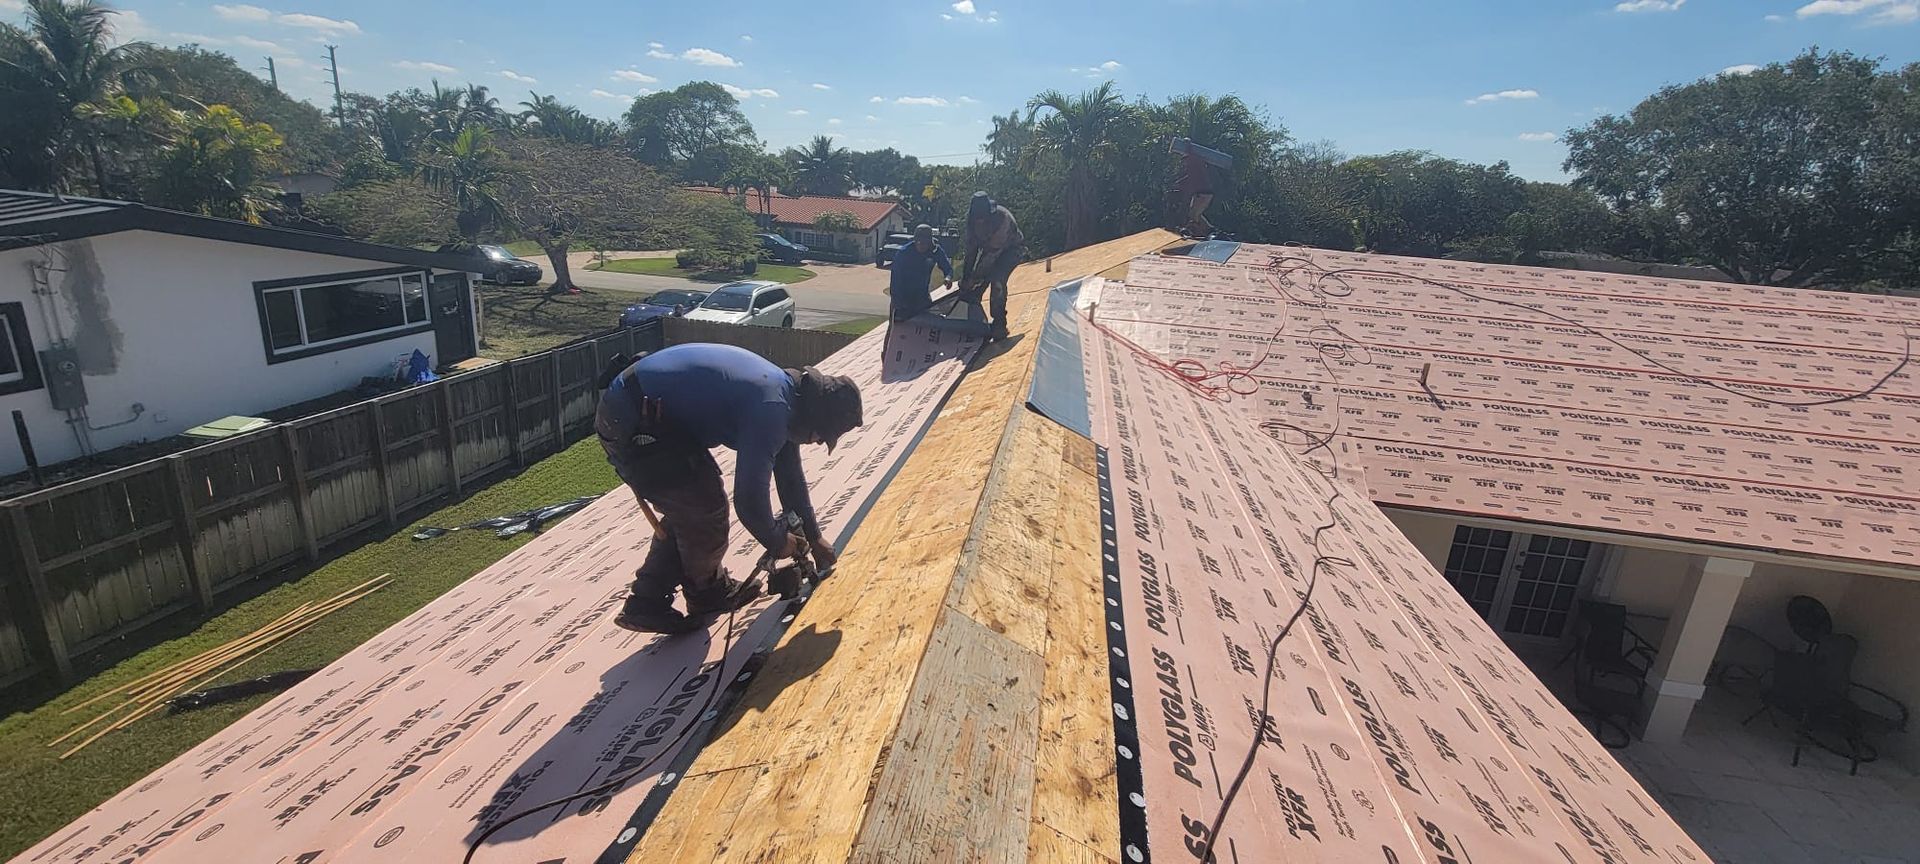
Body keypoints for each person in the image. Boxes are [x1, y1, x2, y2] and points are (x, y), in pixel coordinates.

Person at [595, 344, 862, 634]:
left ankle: (688, 593)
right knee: (703, 509)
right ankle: (662, 602)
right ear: (814, 416)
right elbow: (748, 502)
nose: (817, 442)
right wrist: (778, 541)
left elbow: (790, 479)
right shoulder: (771, 409)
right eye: (820, 437)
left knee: (693, 504)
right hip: (632, 419)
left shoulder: (786, 395)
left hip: (649, 411)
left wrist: (813, 535)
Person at [960, 192, 1024, 341]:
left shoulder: (1002, 219)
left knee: (997, 280)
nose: (980, 221)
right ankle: (974, 304)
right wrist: (966, 277)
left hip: (1011, 250)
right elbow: (970, 251)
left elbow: (991, 256)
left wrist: (974, 279)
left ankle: (999, 323)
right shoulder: (971, 221)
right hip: (990, 249)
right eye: (977, 218)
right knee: (975, 285)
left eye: (982, 218)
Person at [887, 223, 955, 322]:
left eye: (924, 243)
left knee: (925, 325)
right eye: (918, 243)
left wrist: (948, 278)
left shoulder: (935, 251)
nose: (921, 246)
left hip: (922, 296)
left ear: (930, 242)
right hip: (902, 298)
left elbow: (948, 268)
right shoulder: (904, 253)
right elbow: (895, 281)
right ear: (914, 241)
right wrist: (898, 303)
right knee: (898, 329)